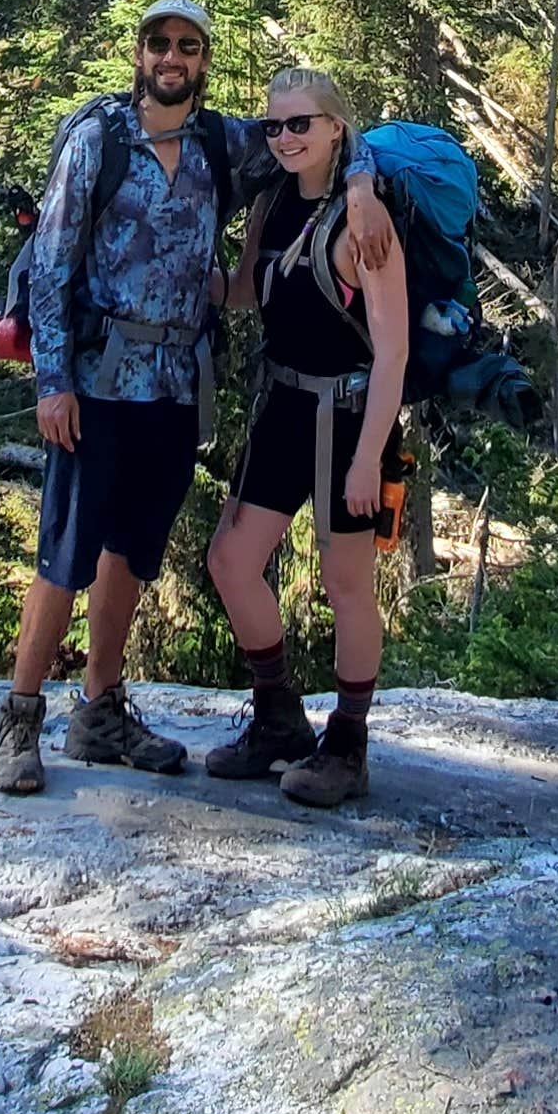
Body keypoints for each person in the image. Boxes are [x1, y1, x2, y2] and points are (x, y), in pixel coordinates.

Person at [0, 0, 389, 797]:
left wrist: (364, 183)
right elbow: (53, 267)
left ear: (205, 61)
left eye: (188, 47)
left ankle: (100, 709)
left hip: (174, 389)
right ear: (137, 54)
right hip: (96, 383)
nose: (173, 57)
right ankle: (19, 720)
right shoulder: (96, 143)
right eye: (159, 44)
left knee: (132, 552)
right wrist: (53, 383)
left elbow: (326, 127)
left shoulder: (222, 142)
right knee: (63, 555)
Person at [198, 66, 407, 812]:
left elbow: (392, 352)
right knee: (230, 559)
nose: (284, 138)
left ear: (335, 131)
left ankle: (348, 743)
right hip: (282, 407)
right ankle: (279, 716)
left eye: (300, 124)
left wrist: (365, 459)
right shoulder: (274, 203)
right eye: (274, 126)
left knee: (346, 582)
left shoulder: (366, 221)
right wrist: (180, 271)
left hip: (348, 416)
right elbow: (251, 288)